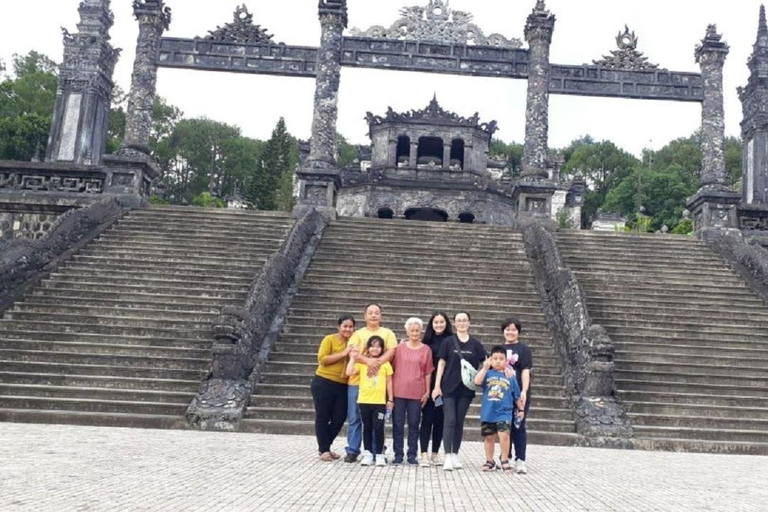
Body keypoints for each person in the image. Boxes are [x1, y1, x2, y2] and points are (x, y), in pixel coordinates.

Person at [432, 311, 487, 471]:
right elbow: (441, 364)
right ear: (454, 323)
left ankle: (455, 454)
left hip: (466, 389)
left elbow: (487, 362)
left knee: (459, 421)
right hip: (448, 387)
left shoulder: (475, 344)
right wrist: (437, 386)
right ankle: (447, 455)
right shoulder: (448, 342)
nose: (462, 323)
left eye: (464, 320)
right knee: (450, 420)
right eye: (458, 320)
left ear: (469, 323)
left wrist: (506, 369)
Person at [343, 303, 398, 463]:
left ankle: (376, 450)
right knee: (355, 417)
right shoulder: (357, 334)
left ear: (381, 316)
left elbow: (391, 351)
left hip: (379, 382)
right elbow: (353, 352)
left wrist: (377, 362)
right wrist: (369, 361)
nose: (373, 315)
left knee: (376, 421)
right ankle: (353, 449)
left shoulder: (387, 333)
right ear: (365, 316)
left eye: (376, 313)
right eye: (370, 313)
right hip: (357, 381)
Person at [311, 315, 356, 461]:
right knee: (323, 416)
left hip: (343, 384)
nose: (347, 329)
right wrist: (343, 353)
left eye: (350, 327)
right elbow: (322, 359)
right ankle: (324, 449)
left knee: (339, 417)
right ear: (339, 327)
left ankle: (325, 446)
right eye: (345, 326)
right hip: (324, 382)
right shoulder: (329, 339)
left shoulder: (354, 342)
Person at [346, 335, 393, 467]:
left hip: (379, 403)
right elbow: (349, 372)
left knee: (378, 428)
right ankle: (367, 453)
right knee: (367, 427)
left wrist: (390, 399)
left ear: (382, 349)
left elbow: (389, 382)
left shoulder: (385, 364)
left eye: (378, 346)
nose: (375, 349)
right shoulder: (362, 364)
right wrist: (354, 357)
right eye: (372, 346)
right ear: (368, 348)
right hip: (364, 401)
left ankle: (379, 454)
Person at [392, 317, 433, 466]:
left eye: (417, 330)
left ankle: (412, 455)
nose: (415, 333)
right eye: (412, 330)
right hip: (398, 391)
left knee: (414, 424)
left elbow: (428, 372)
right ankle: (398, 454)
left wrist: (427, 391)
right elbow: (393, 367)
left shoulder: (426, 349)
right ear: (407, 331)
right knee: (397, 424)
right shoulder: (400, 348)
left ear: (421, 331)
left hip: (417, 392)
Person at [474, 345, 522, 473]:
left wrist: (521, 410)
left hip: (504, 412)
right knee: (489, 437)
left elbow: (516, 395)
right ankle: (490, 460)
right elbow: (477, 381)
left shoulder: (510, 376)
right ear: (490, 360)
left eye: (501, 358)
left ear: (506, 361)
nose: (498, 361)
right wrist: (484, 368)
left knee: (504, 435)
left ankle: (505, 459)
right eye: (495, 358)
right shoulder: (487, 373)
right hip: (488, 412)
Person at [419, 311, 452, 467]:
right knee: (427, 419)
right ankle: (424, 453)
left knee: (439, 420)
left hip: (444, 388)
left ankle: (435, 453)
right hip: (428, 386)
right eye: (436, 322)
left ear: (446, 323)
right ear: (431, 324)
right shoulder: (426, 342)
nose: (439, 325)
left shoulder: (452, 341)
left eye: (442, 322)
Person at [502, 317, 533, 474]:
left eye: (514, 329)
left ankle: (520, 459)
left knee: (519, 426)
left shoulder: (523, 349)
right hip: (502, 394)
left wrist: (524, 391)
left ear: (518, 332)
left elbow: (526, 370)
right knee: (504, 426)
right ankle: (505, 458)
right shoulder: (498, 349)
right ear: (503, 331)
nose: (510, 332)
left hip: (518, 393)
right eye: (507, 329)